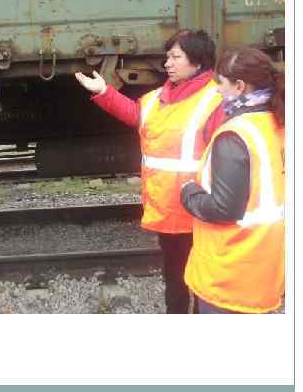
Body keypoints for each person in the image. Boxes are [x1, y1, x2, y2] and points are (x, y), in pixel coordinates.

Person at [75, 29, 224, 313]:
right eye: (167, 57)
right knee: (174, 277)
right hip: (168, 209)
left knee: (202, 280)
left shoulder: (215, 100)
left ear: (197, 62)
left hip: (201, 210)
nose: (168, 63)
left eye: (176, 57)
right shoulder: (157, 98)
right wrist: (104, 92)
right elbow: (136, 115)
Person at [180, 48, 285, 314]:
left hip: (229, 273)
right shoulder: (278, 123)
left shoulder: (235, 135)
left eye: (221, 82)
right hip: (266, 265)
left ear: (239, 86)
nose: (217, 89)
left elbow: (224, 209)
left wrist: (188, 193)